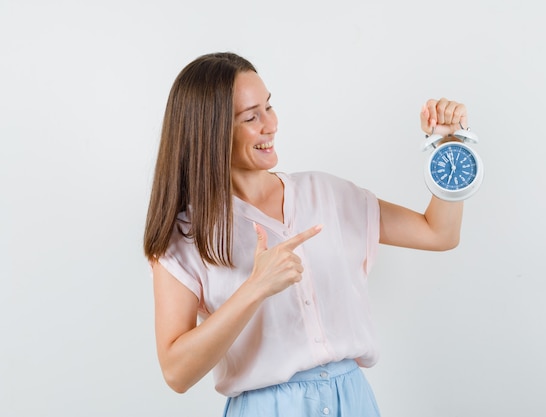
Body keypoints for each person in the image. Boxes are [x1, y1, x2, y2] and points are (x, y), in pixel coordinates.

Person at [144, 52, 467, 416]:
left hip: (354, 401)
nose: (271, 124)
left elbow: (439, 233)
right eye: (251, 117)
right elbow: (176, 372)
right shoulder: (186, 236)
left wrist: (449, 150)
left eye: (269, 107)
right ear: (212, 132)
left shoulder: (326, 194)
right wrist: (255, 288)